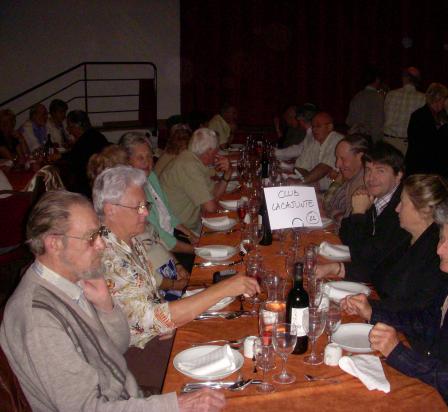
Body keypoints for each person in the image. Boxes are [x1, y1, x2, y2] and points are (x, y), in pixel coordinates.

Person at [0, 190, 226, 411]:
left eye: (100, 234)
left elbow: (116, 349)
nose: (102, 244)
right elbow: (87, 407)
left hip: (128, 393)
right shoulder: (39, 320)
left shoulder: (72, 279)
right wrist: (175, 405)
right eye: (91, 237)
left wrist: (106, 308)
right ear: (54, 243)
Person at [94, 166, 260, 391]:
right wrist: (222, 289)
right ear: (111, 210)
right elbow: (150, 320)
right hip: (131, 358)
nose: (145, 212)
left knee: (229, 332)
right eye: (139, 207)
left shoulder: (128, 239)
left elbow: (151, 304)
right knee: (232, 360)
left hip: (154, 336)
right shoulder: (108, 256)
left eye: (146, 205)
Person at [342, 194, 448, 411]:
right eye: (442, 238)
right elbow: (427, 322)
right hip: (437, 378)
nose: (440, 249)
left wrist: (397, 352)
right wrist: (372, 312)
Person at [318, 174, 448, 316]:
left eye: (402, 203)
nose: (397, 209)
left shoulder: (436, 255)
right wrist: (335, 268)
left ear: (424, 211)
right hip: (380, 310)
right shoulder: (405, 236)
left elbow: (414, 308)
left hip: (395, 327)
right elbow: (375, 268)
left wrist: (370, 308)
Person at [119, 132, 198, 270]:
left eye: (149, 156)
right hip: (160, 248)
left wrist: (191, 235)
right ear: (127, 161)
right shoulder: (132, 193)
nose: (147, 161)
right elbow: (160, 237)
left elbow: (169, 214)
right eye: (140, 158)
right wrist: (196, 250)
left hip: (172, 236)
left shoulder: (152, 177)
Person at [337, 142, 410, 283]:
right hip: (366, 277)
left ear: (398, 175)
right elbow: (344, 238)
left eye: (380, 171)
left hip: (383, 286)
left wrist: (358, 214)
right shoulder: (376, 198)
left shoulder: (402, 208)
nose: (371, 178)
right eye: (368, 170)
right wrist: (356, 212)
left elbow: (363, 257)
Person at [159, 128, 233, 233]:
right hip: (178, 231)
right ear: (209, 152)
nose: (218, 154)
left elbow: (213, 194)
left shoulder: (192, 160)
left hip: (191, 225)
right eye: (216, 150)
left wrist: (227, 175)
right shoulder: (188, 166)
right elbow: (210, 208)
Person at [57, 110, 109, 196]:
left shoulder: (83, 141)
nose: (69, 131)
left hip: (89, 187)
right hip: (101, 182)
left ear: (76, 126)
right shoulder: (96, 135)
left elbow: (73, 161)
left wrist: (60, 157)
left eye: (70, 127)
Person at [323, 134, 370, 223]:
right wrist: (337, 180)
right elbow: (327, 200)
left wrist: (329, 212)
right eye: (337, 158)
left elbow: (348, 222)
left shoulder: (363, 185)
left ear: (360, 157)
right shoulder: (351, 177)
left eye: (343, 159)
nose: (337, 164)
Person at [290, 112, 344, 191]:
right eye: (313, 126)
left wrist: (302, 182)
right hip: (318, 189)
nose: (314, 129)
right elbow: (299, 167)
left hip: (336, 192)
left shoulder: (337, 140)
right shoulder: (314, 141)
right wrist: (312, 179)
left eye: (318, 126)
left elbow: (323, 168)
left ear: (330, 127)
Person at [406, 83, 448, 175]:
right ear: (438, 98)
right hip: (420, 165)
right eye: (444, 99)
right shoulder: (418, 116)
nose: (445, 102)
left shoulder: (443, 115)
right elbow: (416, 143)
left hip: (435, 165)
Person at [383, 67, 425, 154]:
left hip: (388, 142)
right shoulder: (423, 98)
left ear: (404, 78)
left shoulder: (391, 94)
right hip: (408, 145)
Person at [345, 65, 385, 142]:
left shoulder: (357, 96)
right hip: (371, 139)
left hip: (356, 138)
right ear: (377, 80)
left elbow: (349, 121)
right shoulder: (378, 98)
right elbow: (378, 123)